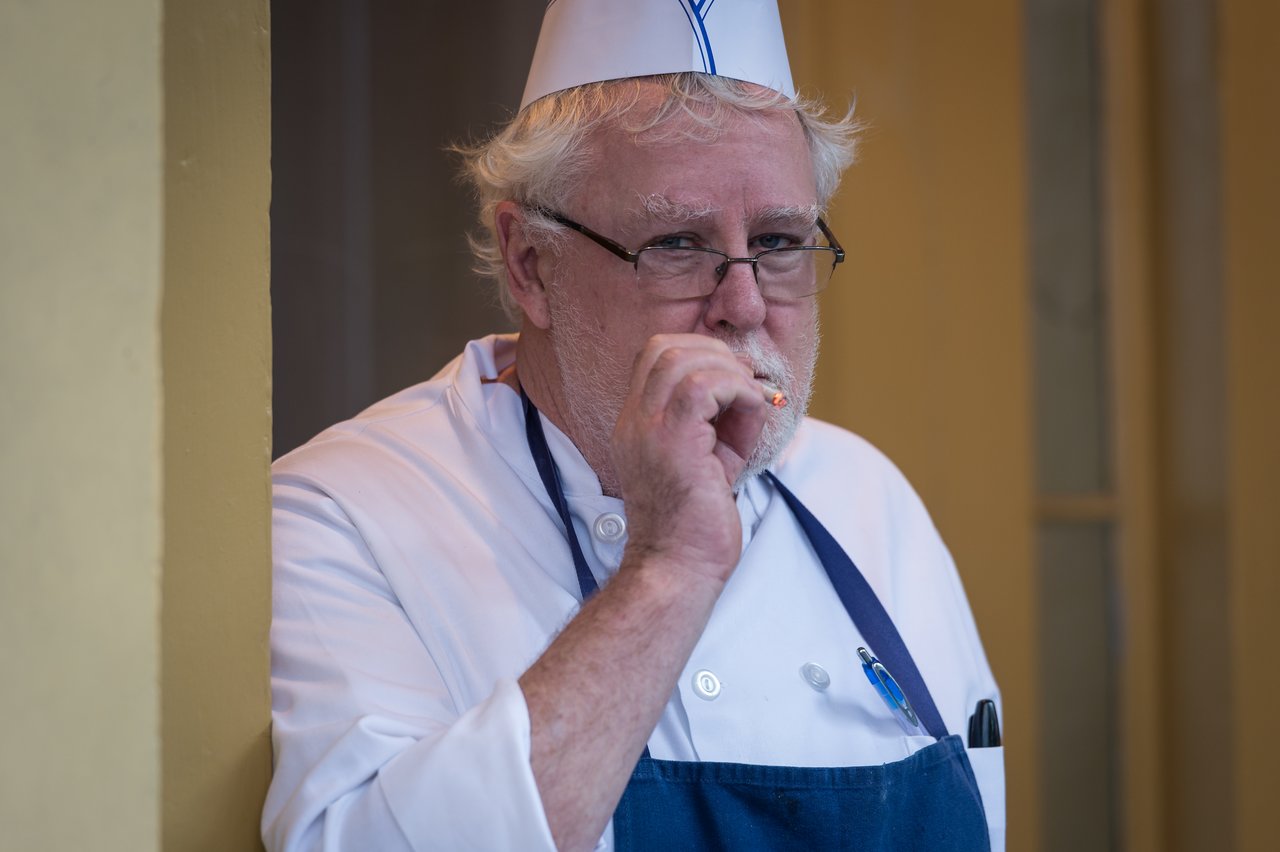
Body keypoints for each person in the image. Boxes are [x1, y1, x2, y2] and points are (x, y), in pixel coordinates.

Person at [263, 2, 1004, 850]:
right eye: (678, 243)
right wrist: (668, 567)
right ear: (529, 262)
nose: (744, 304)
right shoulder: (342, 514)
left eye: (778, 240)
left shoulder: (867, 499)